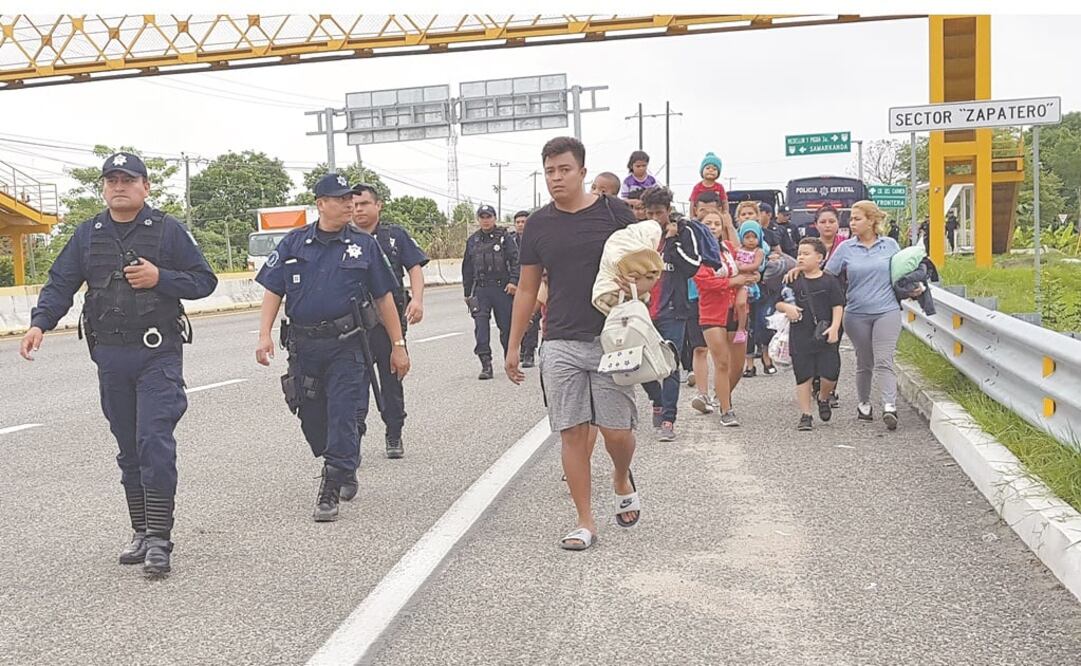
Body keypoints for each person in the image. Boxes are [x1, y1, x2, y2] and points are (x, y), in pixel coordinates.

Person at [20, 152, 218, 575]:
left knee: (154, 441)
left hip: (157, 352)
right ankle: (142, 530)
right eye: (111, 180)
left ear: (145, 186)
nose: (119, 186)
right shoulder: (88, 234)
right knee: (128, 447)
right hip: (110, 355)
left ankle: (161, 540)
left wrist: (160, 277)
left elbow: (204, 281)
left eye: (128, 179)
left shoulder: (167, 231)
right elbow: (61, 282)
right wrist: (40, 323)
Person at [506, 136, 643, 551]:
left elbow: (647, 266)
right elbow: (528, 289)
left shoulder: (613, 213)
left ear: (582, 171)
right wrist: (514, 346)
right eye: (549, 171)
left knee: (616, 431)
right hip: (560, 338)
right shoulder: (538, 226)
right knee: (571, 431)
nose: (556, 178)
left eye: (564, 169)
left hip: (611, 337)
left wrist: (640, 289)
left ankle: (620, 475)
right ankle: (585, 521)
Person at [255, 173, 409, 521]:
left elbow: (385, 298)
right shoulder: (294, 243)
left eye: (351, 199)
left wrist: (398, 345)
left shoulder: (364, 245)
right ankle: (344, 459)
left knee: (343, 412)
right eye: (340, 199)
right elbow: (273, 290)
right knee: (312, 418)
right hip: (304, 346)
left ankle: (330, 483)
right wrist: (263, 334)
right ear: (321, 204)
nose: (349, 205)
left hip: (347, 346)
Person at [350, 183, 428, 461]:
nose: (358, 210)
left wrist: (417, 300)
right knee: (354, 382)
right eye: (354, 205)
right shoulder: (344, 239)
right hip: (354, 323)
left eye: (364, 204)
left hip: (388, 320)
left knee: (391, 378)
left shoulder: (394, 236)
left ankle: (394, 431)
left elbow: (415, 268)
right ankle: (353, 440)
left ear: (378, 205)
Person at [825, 200, 905, 430]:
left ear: (871, 221)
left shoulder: (889, 245)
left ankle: (889, 406)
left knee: (884, 358)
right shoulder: (846, 248)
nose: (852, 223)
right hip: (856, 313)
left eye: (857, 218)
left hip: (887, 310)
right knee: (865, 360)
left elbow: (903, 272)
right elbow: (828, 277)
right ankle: (864, 403)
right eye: (850, 219)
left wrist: (915, 288)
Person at [641, 186, 702, 442]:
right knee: (639, 364)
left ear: (668, 210)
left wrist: (674, 242)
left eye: (659, 213)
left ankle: (668, 418)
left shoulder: (684, 232)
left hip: (673, 310)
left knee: (669, 366)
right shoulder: (641, 234)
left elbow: (692, 267)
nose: (655, 218)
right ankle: (656, 398)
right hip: (643, 309)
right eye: (650, 213)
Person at [690, 210, 755, 426]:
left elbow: (748, 268)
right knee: (722, 362)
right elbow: (704, 282)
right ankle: (727, 410)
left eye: (717, 223)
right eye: (708, 223)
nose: (713, 227)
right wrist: (733, 282)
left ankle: (722, 395)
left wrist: (750, 277)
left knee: (737, 366)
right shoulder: (697, 253)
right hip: (712, 312)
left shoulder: (728, 248)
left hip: (736, 311)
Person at [776, 238, 845, 431]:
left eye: (806, 254)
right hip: (800, 334)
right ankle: (806, 414)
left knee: (830, 373)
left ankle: (823, 397)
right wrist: (786, 307)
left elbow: (838, 305)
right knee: (803, 375)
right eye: (799, 253)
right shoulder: (792, 279)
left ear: (820, 258)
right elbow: (778, 301)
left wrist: (835, 328)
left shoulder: (829, 280)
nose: (801, 257)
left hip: (825, 333)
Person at [462, 204, 519, 380]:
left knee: (506, 327)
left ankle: (509, 360)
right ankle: (486, 364)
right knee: (481, 328)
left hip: (502, 288)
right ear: (478, 219)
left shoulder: (505, 238)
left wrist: (513, 281)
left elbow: (516, 260)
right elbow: (467, 268)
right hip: (481, 290)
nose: (485, 220)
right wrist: (467, 293)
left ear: (494, 218)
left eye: (489, 217)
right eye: (482, 217)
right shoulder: (473, 240)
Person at [511, 210, 542, 368]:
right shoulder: (509, 241)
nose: (521, 225)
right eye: (518, 222)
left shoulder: (537, 239)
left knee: (532, 318)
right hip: (514, 285)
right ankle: (520, 349)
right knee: (517, 317)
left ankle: (529, 351)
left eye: (524, 222)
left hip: (534, 285)